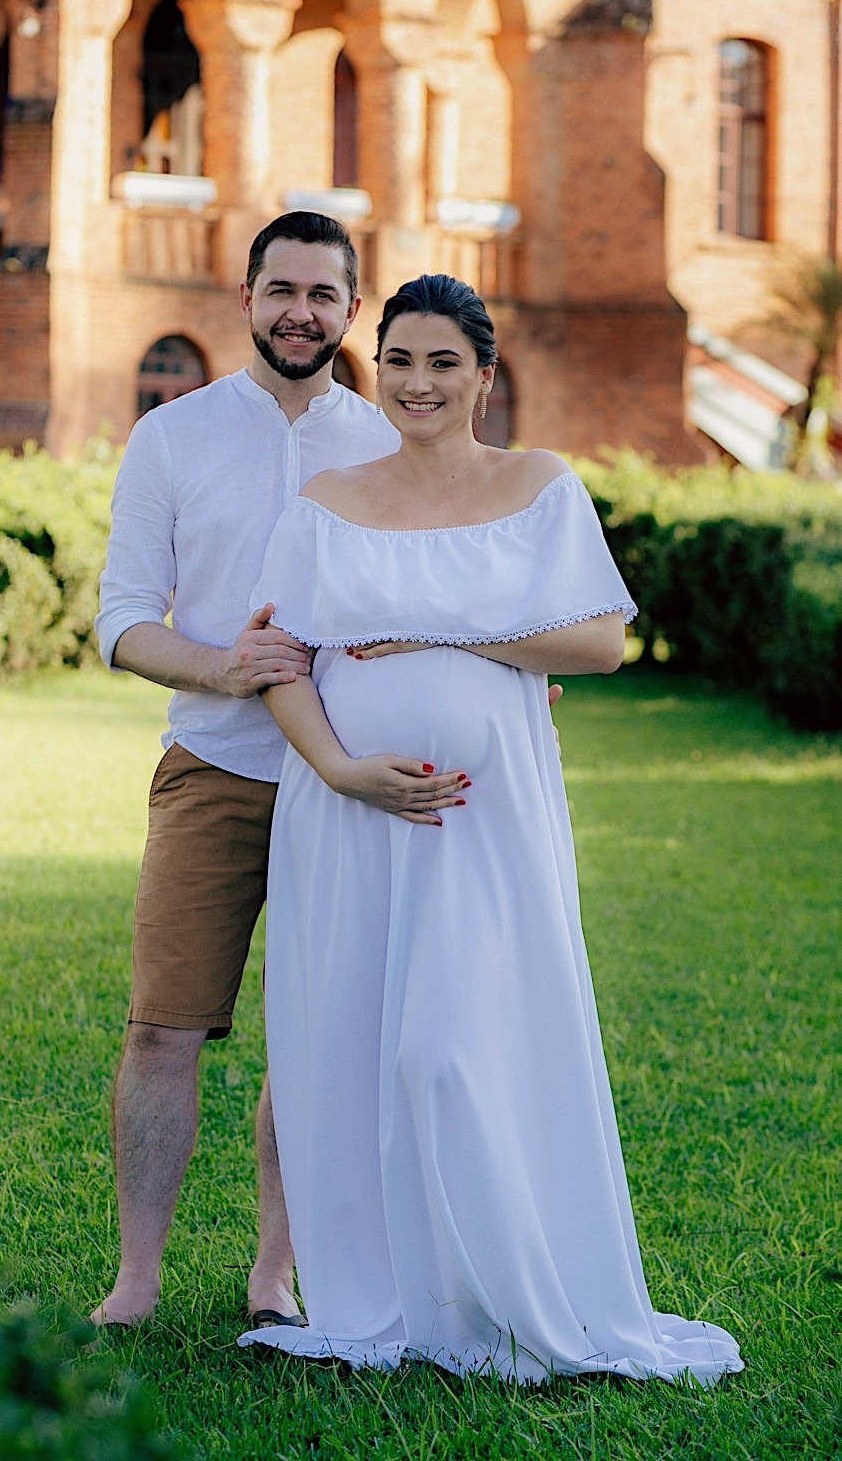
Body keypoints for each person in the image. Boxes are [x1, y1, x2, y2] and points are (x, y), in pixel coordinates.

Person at [238, 274, 744, 1384]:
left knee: (450, 1051)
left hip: (484, 822)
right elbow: (281, 659)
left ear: (483, 374)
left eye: (442, 363)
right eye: (399, 362)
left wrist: (433, 629)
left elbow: (598, 643)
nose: (417, 384)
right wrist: (342, 771)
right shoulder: (326, 500)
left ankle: (496, 1293)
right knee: (350, 1049)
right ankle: (384, 1302)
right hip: (346, 819)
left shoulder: (537, 485)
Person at [92, 216, 483, 1330]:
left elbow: (443, 599)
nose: (299, 313)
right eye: (280, 290)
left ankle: (276, 1275)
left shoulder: (384, 440)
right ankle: (136, 1282)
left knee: (318, 1040)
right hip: (213, 767)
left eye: (321, 295)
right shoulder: (171, 435)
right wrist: (222, 666)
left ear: (351, 309)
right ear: (247, 297)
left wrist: (493, 682)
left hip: (349, 780)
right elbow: (122, 619)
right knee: (162, 1030)